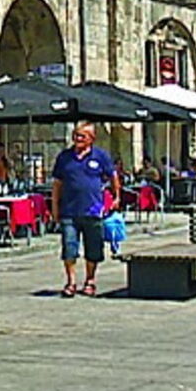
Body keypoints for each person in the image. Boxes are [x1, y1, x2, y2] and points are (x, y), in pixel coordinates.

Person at [51, 122, 120, 298]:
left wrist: (117, 197)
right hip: (69, 211)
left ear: (92, 138)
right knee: (69, 247)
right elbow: (57, 184)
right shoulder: (64, 157)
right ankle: (71, 282)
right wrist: (55, 207)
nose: (78, 138)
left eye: (82, 136)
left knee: (93, 249)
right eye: (76, 135)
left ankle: (90, 280)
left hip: (93, 211)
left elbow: (113, 176)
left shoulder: (101, 156)